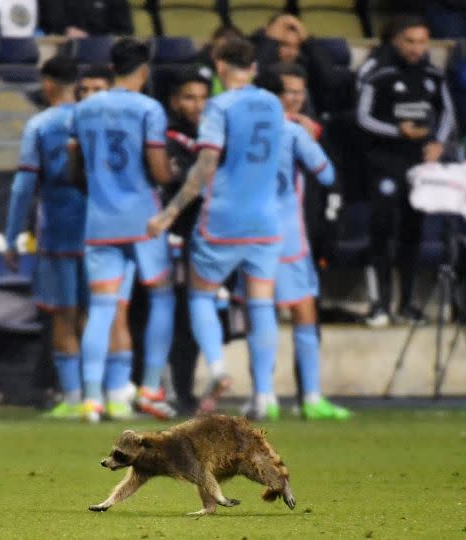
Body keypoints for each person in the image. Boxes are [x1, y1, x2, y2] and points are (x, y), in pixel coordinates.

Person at [147, 37, 283, 418]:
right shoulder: (273, 104)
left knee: (201, 296)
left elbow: (205, 165)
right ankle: (265, 396)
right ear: (253, 67)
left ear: (220, 68)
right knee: (260, 303)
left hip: (224, 218)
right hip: (266, 221)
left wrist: (170, 212)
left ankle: (219, 370)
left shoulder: (219, 106)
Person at [69, 38, 175, 423]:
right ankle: (149, 387)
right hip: (143, 218)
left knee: (100, 308)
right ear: (144, 71)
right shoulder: (149, 108)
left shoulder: (84, 109)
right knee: (162, 297)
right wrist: (173, 174)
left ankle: (92, 398)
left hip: (99, 219)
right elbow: (160, 168)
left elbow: (73, 169)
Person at [250, 68, 351, 421]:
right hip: (287, 235)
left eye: (299, 92)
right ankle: (310, 397)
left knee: (261, 311)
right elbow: (327, 174)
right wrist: (310, 137)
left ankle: (264, 397)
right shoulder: (293, 131)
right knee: (302, 311)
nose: (294, 99)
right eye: (287, 92)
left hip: (247, 233)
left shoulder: (243, 128)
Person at [356, 16, 455, 327]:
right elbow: (363, 117)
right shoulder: (378, 73)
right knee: (381, 230)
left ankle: (407, 303)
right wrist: (398, 131)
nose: (416, 48)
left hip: (419, 167)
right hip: (384, 164)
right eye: (410, 41)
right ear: (397, 40)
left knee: (413, 232)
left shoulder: (433, 76)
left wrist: (438, 143)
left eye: (422, 41)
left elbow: (448, 113)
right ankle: (378, 303)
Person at [4, 56, 85, 419]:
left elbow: (23, 186)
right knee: (99, 314)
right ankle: (99, 393)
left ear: (48, 84)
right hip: (99, 232)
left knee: (63, 315)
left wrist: (12, 235)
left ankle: (73, 397)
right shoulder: (92, 119)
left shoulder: (40, 124)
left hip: (58, 231)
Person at [160, 68, 208, 414]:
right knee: (169, 315)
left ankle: (185, 390)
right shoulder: (168, 138)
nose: (198, 105)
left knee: (193, 319)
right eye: (190, 97)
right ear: (175, 101)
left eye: (204, 97)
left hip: (204, 238)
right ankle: (164, 389)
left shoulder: (213, 135)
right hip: (172, 236)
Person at [38, 0, 133, 37]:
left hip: (103, 51)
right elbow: (49, 22)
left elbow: (125, 30)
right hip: (60, 48)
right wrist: (64, 31)